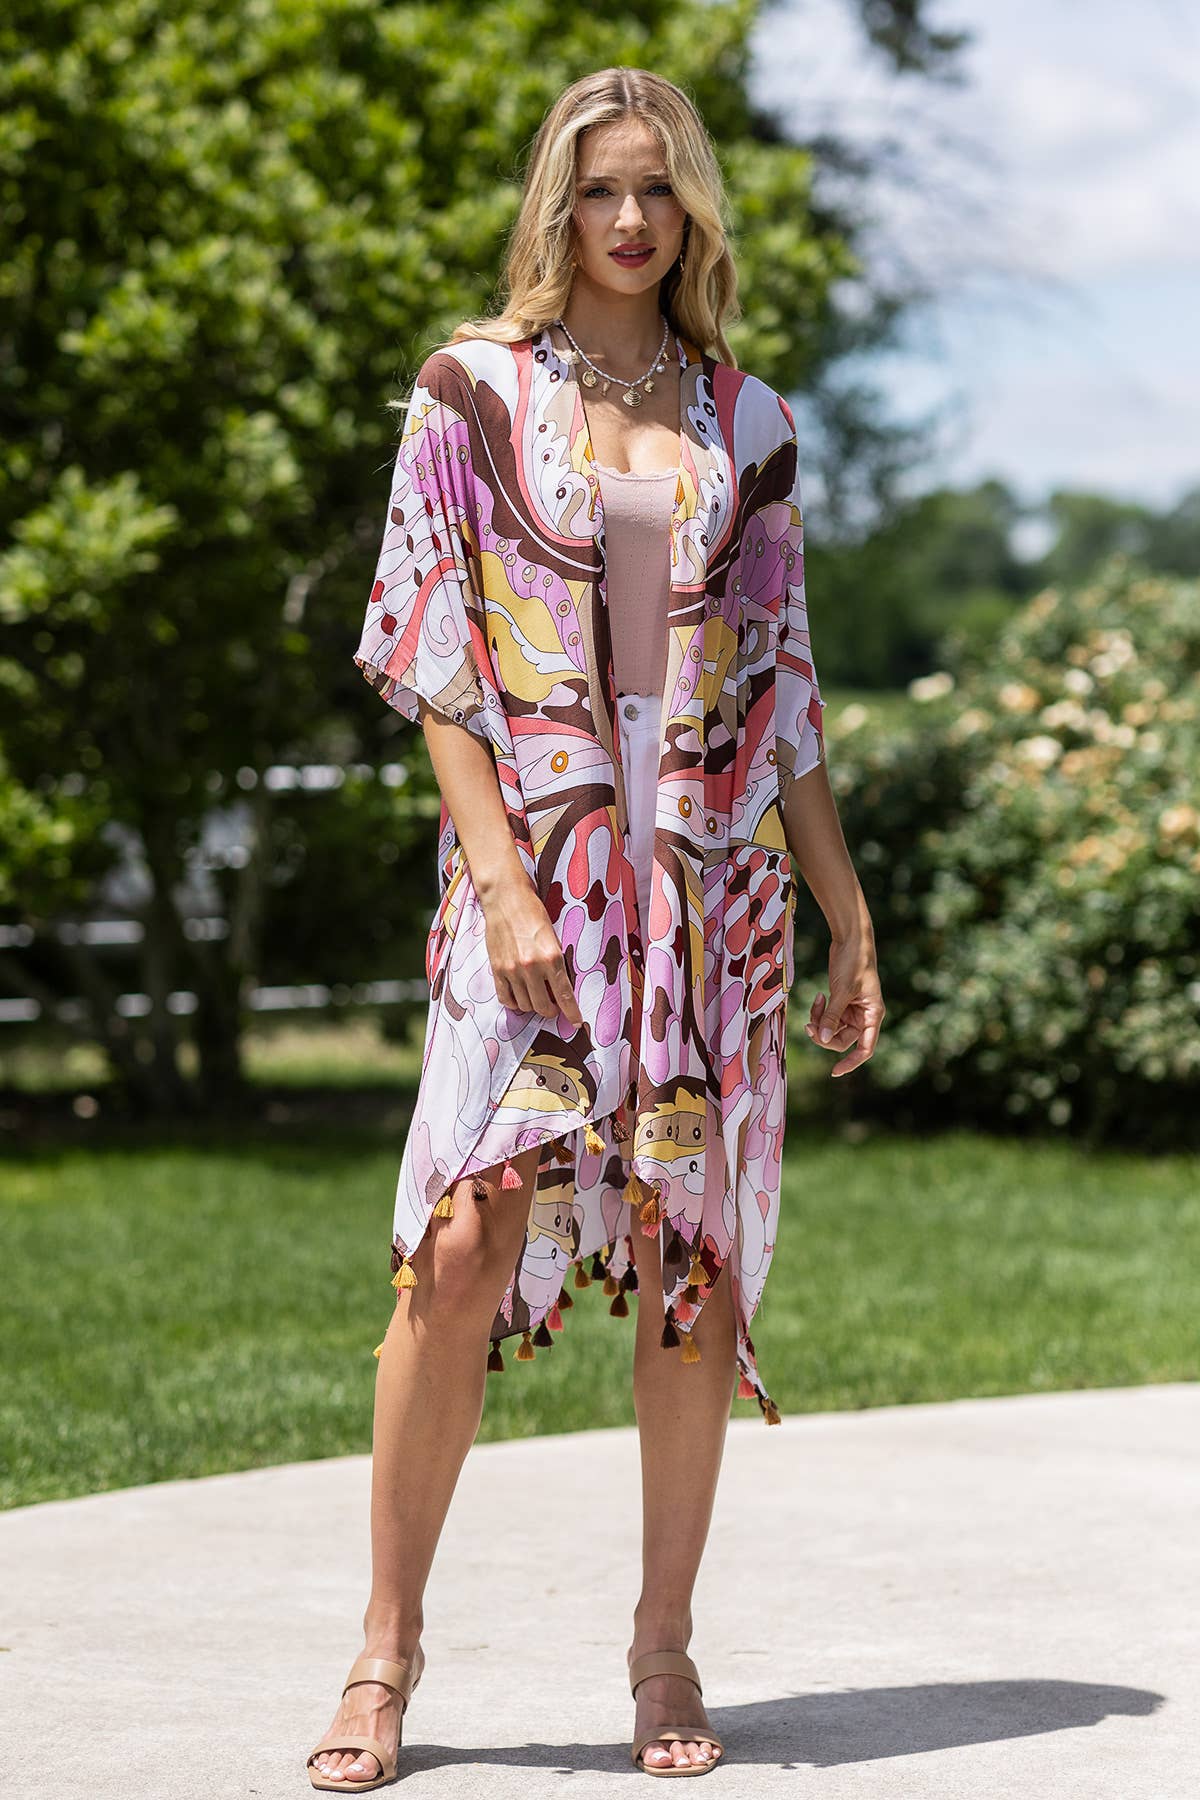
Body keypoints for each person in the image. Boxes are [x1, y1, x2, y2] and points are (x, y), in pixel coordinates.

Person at [307, 65, 884, 1791]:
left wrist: (847, 917)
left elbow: (783, 693)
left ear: (693, 206)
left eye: (656, 189)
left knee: (685, 1268)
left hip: (703, 897)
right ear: (556, 206)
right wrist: (497, 881)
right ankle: (385, 1650)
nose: (629, 220)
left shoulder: (751, 422)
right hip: (534, 883)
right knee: (463, 1241)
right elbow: (433, 650)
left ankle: (663, 1646)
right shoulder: (470, 391)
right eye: (598, 190)